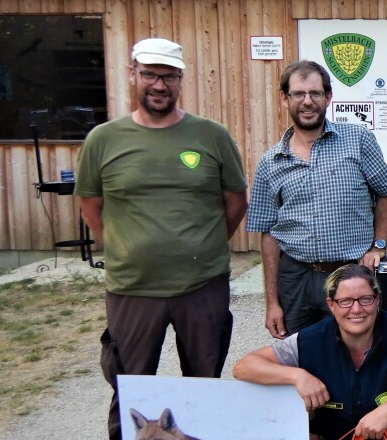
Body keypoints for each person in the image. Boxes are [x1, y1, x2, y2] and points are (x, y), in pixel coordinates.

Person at [74, 37, 247, 440]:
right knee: (130, 389)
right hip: (132, 288)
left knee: (203, 387)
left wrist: (204, 246)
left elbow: (234, 201)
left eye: (168, 76)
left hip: (202, 286)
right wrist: (125, 249)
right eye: (150, 74)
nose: (159, 85)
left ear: (181, 79)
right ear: (133, 75)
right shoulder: (103, 139)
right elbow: (90, 206)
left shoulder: (212, 135)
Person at [246, 60, 387, 339]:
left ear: (328, 97)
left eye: (315, 93)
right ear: (285, 98)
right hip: (296, 279)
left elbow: (386, 194)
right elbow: (268, 234)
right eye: (299, 94)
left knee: (358, 353)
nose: (308, 102)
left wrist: (378, 245)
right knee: (303, 356)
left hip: (351, 272)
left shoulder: (358, 140)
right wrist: (272, 302)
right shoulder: (271, 162)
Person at [233, 264, 387, 440]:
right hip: (334, 433)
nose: (356, 309)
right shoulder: (309, 340)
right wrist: (297, 375)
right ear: (331, 305)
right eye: (345, 301)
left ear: (377, 300)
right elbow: (244, 367)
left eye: (365, 299)